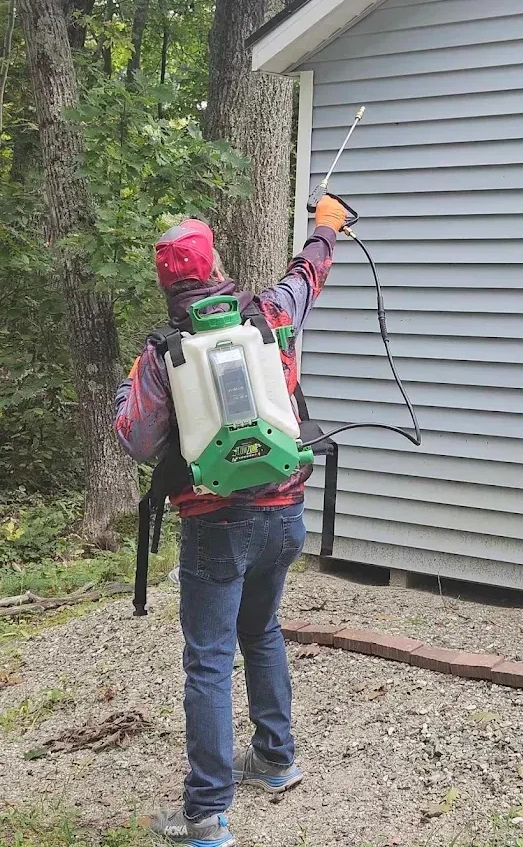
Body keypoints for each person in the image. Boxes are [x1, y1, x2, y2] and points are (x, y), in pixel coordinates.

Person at [114, 196, 346, 847]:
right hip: (285, 509)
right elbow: (309, 275)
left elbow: (135, 438)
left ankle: (207, 815)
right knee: (262, 630)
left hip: (216, 521)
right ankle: (275, 759)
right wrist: (326, 227)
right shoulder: (268, 311)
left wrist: (119, 392)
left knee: (209, 661)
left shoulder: (162, 351)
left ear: (165, 281)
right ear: (214, 261)